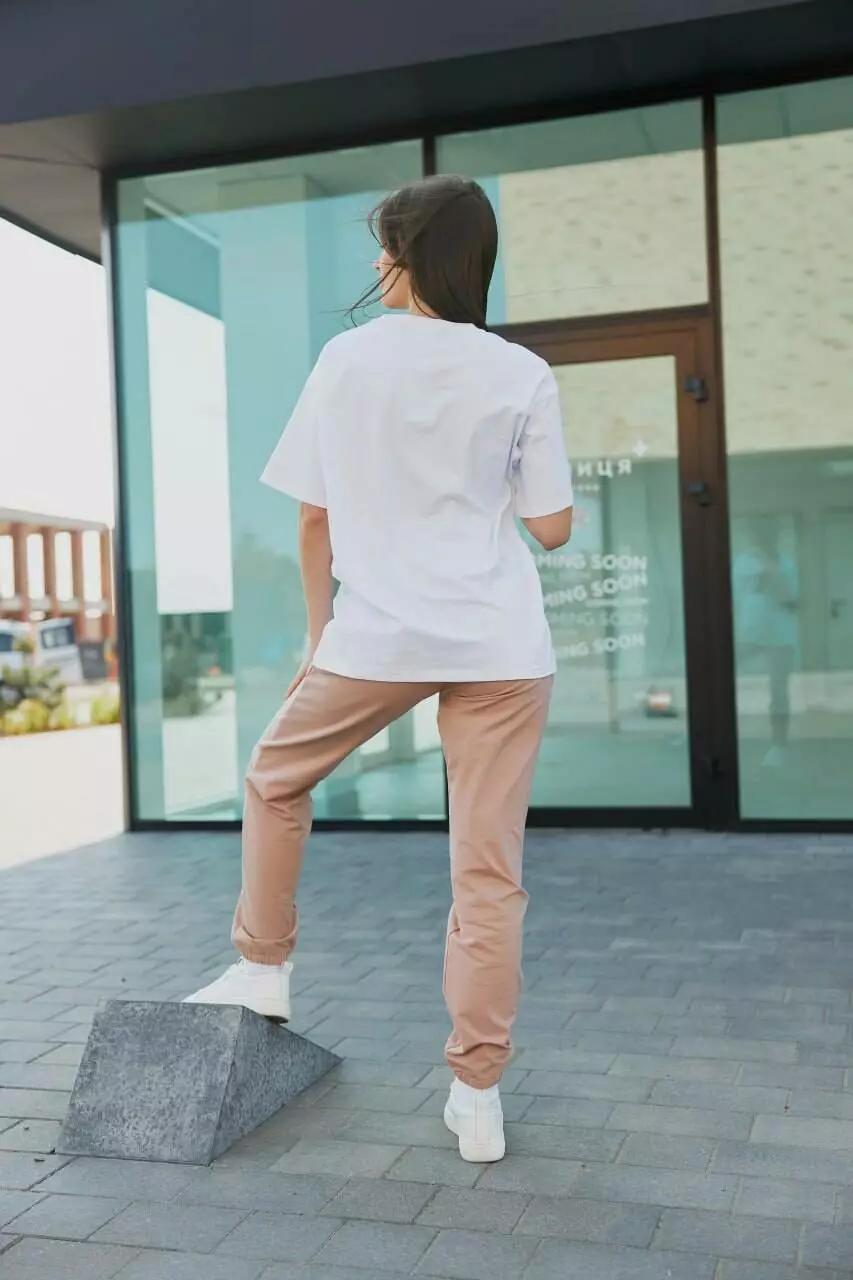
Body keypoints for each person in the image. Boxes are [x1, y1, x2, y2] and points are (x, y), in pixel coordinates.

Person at [186, 175, 574, 1163]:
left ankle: (263, 966)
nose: (375, 259)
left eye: (387, 243)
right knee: (487, 874)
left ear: (416, 256)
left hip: (377, 637)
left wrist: (318, 636)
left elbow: (313, 516)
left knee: (275, 778)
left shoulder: (347, 358)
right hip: (499, 644)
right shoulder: (522, 371)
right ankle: (477, 1096)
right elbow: (552, 528)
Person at [732, 520, 799, 768]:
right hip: (749, 634)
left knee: (778, 691)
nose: (762, 540)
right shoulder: (742, 563)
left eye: (768, 534)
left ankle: (779, 746)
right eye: (758, 535)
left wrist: (771, 570)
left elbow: (790, 600)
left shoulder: (786, 563)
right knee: (717, 676)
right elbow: (735, 597)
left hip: (780, 636)